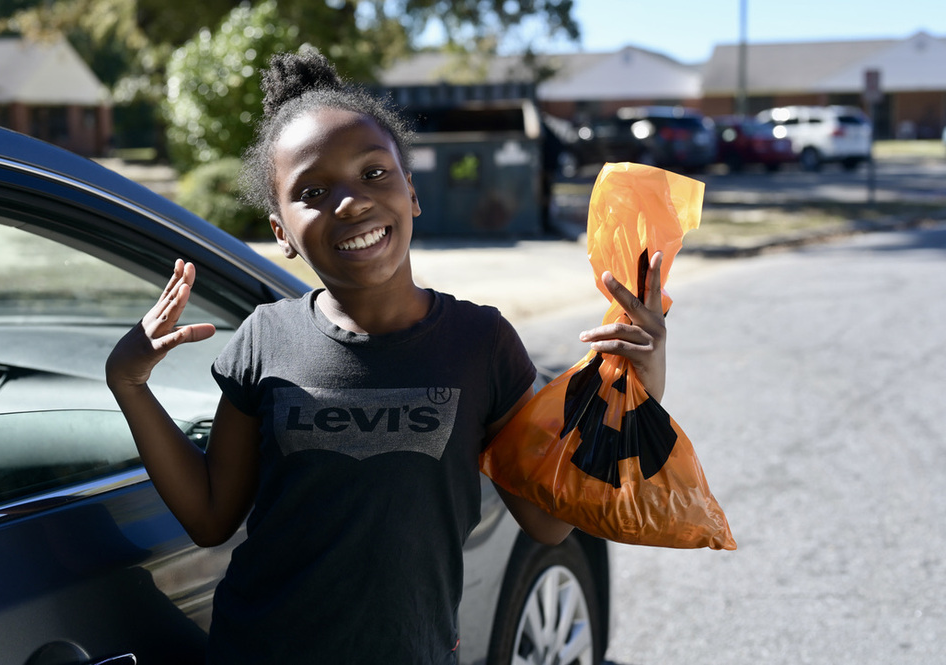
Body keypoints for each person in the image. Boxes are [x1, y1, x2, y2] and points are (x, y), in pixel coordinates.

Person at [105, 47, 667, 664]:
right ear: (281, 232)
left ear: (412, 192)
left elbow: (549, 523)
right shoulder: (265, 338)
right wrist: (130, 384)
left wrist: (637, 390)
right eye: (313, 191)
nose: (350, 202)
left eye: (374, 173)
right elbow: (212, 517)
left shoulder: (480, 344)